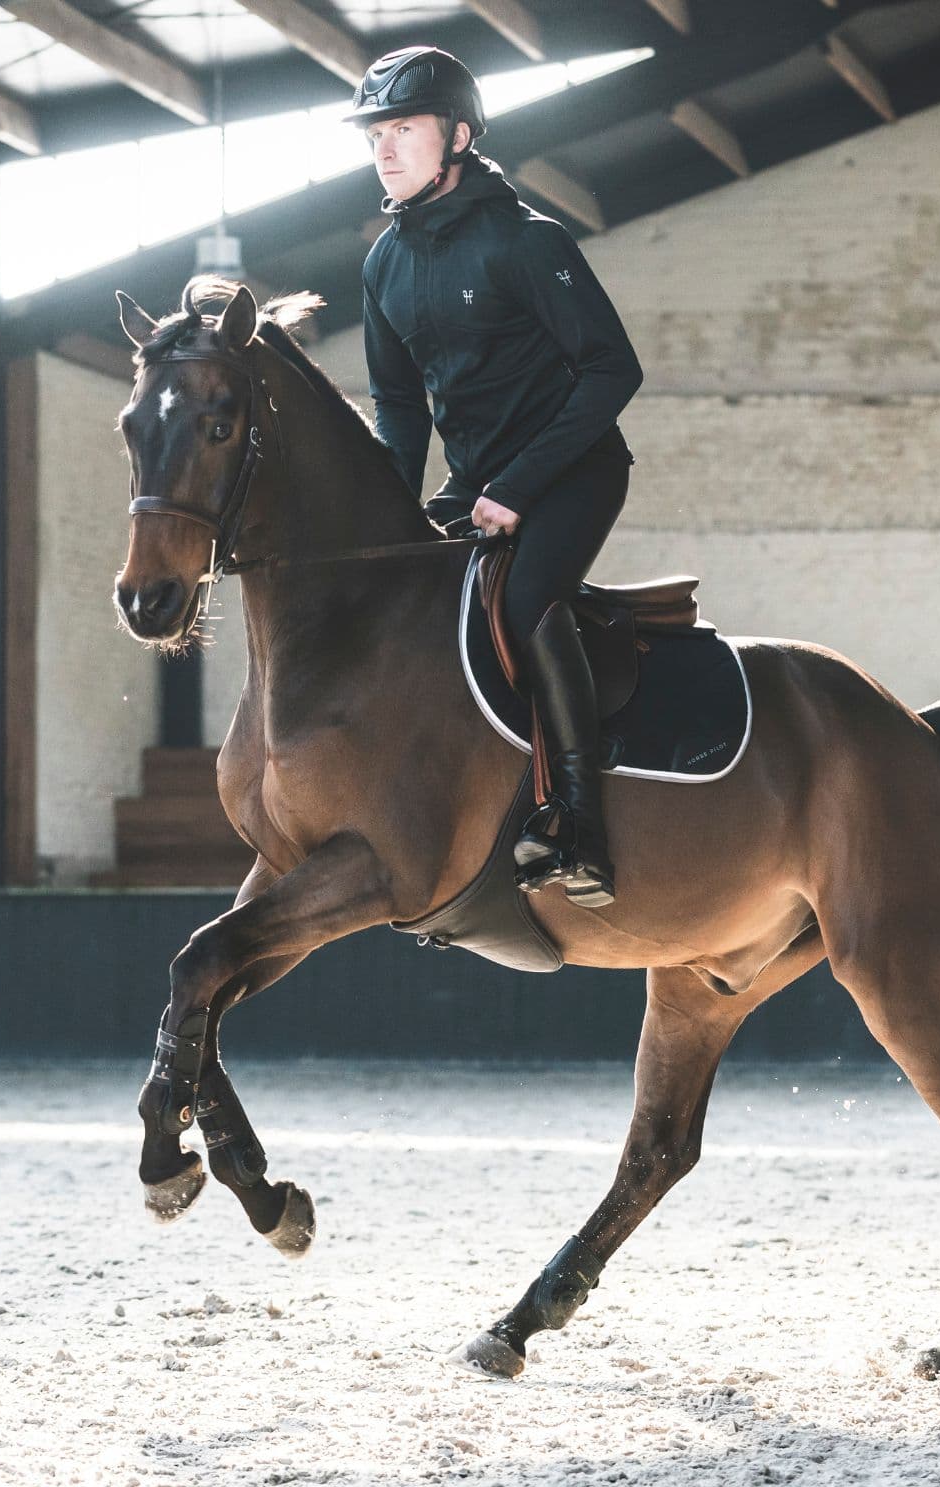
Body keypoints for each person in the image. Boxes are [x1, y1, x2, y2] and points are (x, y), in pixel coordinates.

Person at [349, 46, 643, 909]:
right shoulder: (382, 266)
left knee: (522, 607)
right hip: (475, 485)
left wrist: (517, 486)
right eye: (377, 134)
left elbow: (612, 372)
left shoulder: (527, 241)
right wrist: (390, 525)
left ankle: (581, 827)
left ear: (461, 136)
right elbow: (399, 412)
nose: (386, 149)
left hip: (575, 473)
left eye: (405, 129)